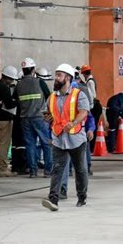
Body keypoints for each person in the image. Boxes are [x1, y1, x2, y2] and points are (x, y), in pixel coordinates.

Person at [41, 64, 91, 211]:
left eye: (59, 75)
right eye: (56, 75)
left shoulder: (78, 94)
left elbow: (84, 112)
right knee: (57, 169)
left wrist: (74, 122)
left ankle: (81, 196)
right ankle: (53, 200)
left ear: (68, 78)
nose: (56, 78)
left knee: (80, 169)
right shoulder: (51, 97)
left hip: (76, 138)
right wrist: (47, 117)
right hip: (58, 138)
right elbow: (46, 112)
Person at [16, 59, 53, 178]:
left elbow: (15, 100)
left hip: (25, 118)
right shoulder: (39, 82)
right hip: (39, 117)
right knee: (46, 143)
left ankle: (33, 171)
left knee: (30, 144)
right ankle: (48, 170)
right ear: (33, 70)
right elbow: (50, 97)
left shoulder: (19, 84)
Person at [0, 65, 20, 177]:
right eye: (11, 79)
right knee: (4, 145)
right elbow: (9, 104)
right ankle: (3, 168)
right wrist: (17, 101)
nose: (11, 82)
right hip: (5, 119)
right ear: (7, 78)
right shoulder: (4, 88)